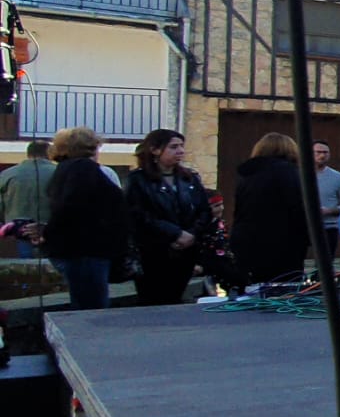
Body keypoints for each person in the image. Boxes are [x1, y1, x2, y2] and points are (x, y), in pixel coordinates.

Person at [125, 129, 214, 306]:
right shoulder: (138, 180)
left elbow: (204, 210)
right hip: (154, 253)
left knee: (174, 297)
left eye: (181, 146)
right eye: (173, 147)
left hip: (186, 252)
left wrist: (191, 233)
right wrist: (174, 233)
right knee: (153, 300)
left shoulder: (189, 178)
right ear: (155, 150)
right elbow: (138, 215)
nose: (180, 151)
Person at [42, 128, 128, 310]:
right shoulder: (83, 169)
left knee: (84, 300)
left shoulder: (65, 169)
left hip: (74, 247)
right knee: (92, 305)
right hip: (87, 248)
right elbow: (72, 205)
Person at [230, 133, 312, 289]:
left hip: (246, 240)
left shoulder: (247, 176)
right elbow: (299, 209)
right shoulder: (289, 172)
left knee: (252, 289)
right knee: (283, 290)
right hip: (282, 243)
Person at [0, 140, 55, 257]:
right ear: (49, 153)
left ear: (28, 153)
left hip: (16, 235)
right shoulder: (57, 173)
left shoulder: (7, 174)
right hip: (48, 234)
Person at [312, 139, 340, 259]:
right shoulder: (298, 174)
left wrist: (329, 211)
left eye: (325, 152)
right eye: (318, 152)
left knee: (325, 263)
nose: (322, 155)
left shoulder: (338, 178)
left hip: (328, 227)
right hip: (302, 225)